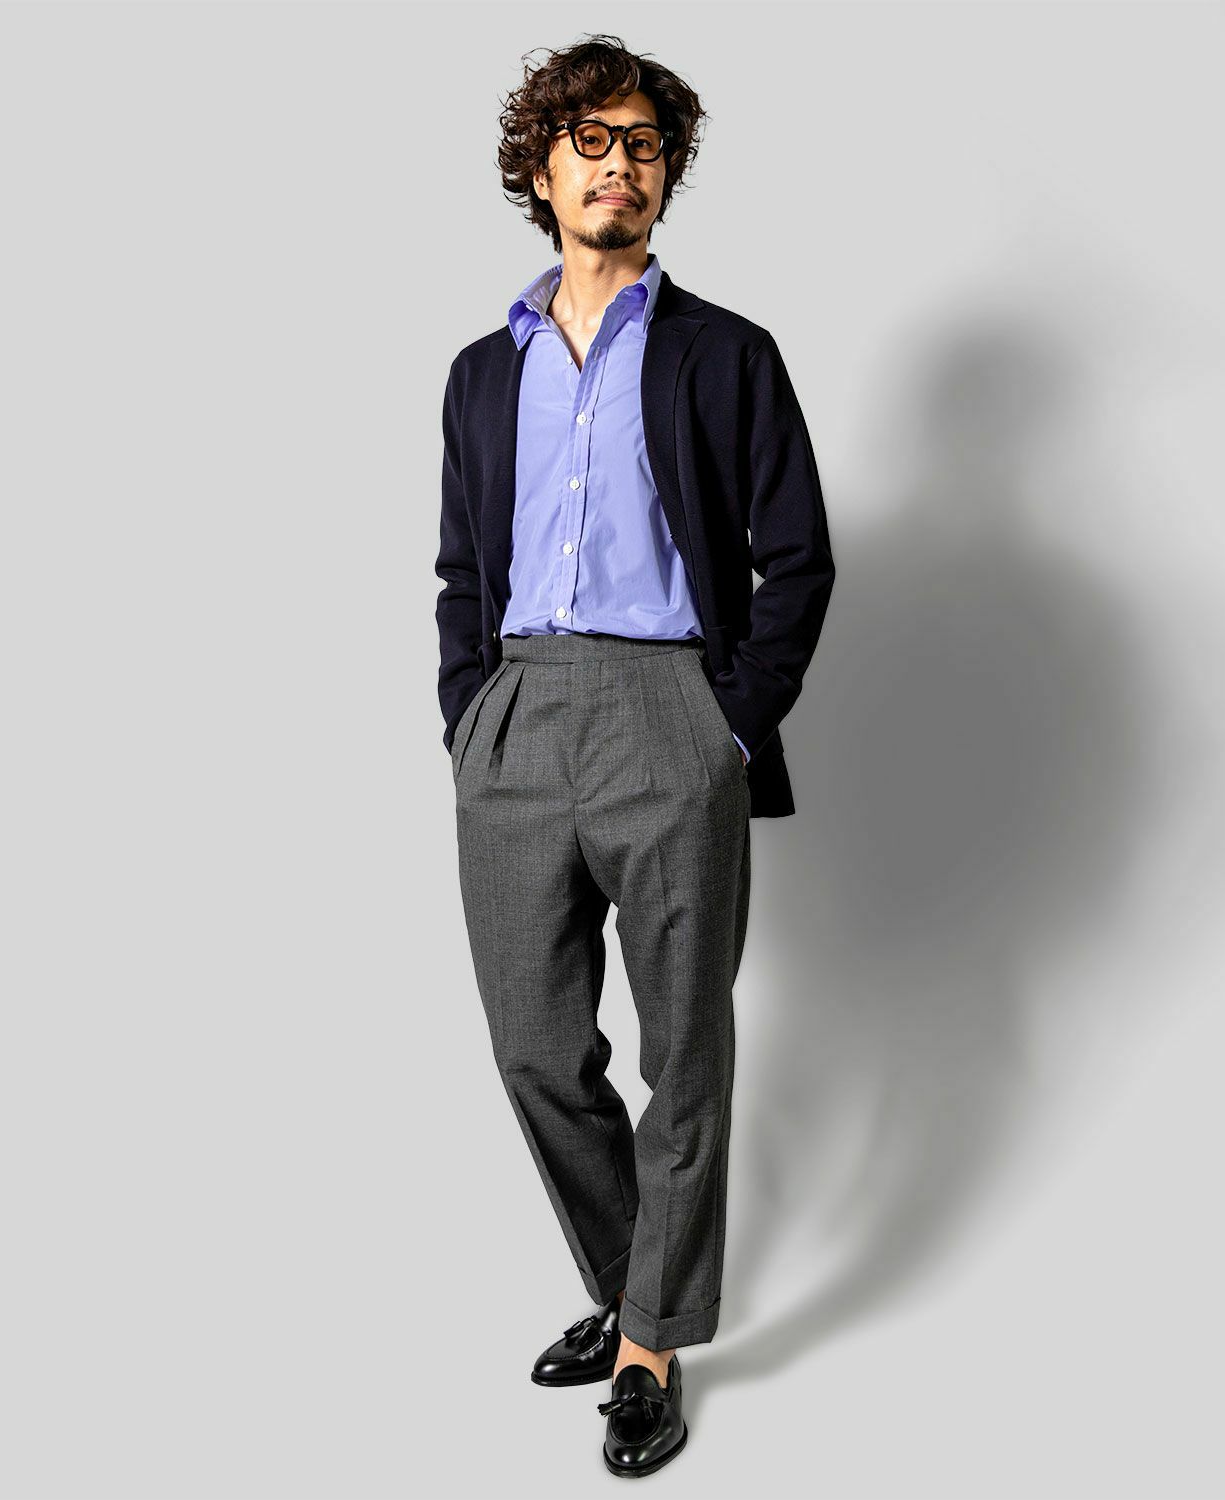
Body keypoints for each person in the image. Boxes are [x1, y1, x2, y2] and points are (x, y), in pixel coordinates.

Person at [434, 34, 835, 1479]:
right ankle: (631, 1278)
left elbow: (796, 558)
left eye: (643, 144)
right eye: (590, 142)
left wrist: (726, 726)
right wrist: (467, 712)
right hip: (517, 713)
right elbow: (460, 567)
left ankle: (651, 1343)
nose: (620, 166)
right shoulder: (483, 371)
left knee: (684, 1048)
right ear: (541, 171)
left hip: (670, 709)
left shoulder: (727, 354)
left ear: (666, 175)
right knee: (534, 1045)